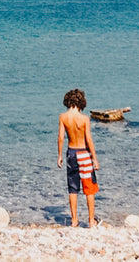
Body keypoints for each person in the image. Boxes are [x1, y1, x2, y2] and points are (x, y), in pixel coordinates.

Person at [57, 88, 100, 227]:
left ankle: (74, 219)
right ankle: (91, 220)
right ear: (81, 102)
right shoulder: (84, 119)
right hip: (83, 153)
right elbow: (89, 139)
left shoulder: (63, 117)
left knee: (73, 187)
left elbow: (60, 138)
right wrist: (94, 158)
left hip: (71, 153)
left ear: (67, 101)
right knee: (89, 188)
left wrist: (59, 155)